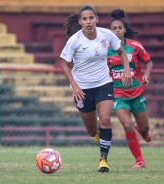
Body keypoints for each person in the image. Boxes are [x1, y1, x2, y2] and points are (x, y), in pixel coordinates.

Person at [60, 5, 132, 173]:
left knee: (105, 120)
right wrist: (75, 86)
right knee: (92, 130)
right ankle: (98, 137)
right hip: (82, 89)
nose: (88, 21)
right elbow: (64, 63)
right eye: (84, 19)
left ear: (97, 19)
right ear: (80, 22)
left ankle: (103, 160)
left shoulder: (106, 35)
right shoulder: (74, 41)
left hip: (103, 83)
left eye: (91, 18)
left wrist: (127, 70)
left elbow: (121, 52)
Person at [107, 9, 153, 168]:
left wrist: (146, 74)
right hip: (118, 95)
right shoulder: (106, 49)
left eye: (120, 28)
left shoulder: (135, 46)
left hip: (137, 93)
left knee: (145, 129)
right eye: (114, 29)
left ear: (124, 29)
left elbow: (149, 61)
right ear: (110, 32)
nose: (117, 31)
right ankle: (139, 160)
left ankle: (143, 131)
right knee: (126, 125)